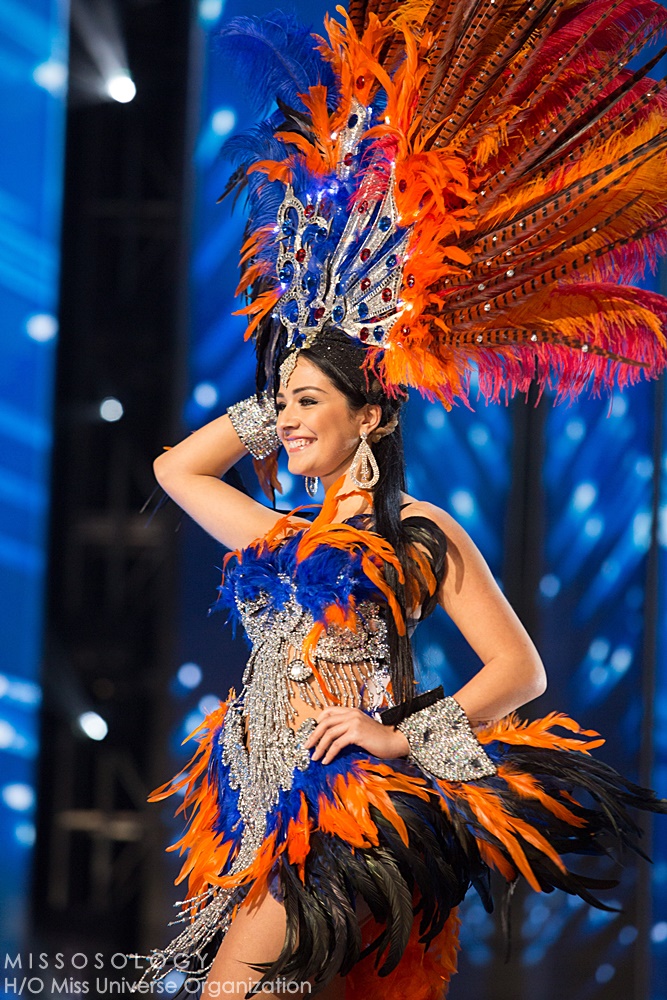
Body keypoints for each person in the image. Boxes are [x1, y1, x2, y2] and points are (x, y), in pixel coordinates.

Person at [138, 1, 667, 997]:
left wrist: (398, 736)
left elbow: (518, 669)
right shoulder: (282, 538)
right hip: (255, 818)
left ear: (372, 418)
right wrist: (298, 371)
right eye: (279, 406)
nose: (285, 423)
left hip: (343, 824)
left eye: (305, 406)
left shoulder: (418, 532)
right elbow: (175, 470)